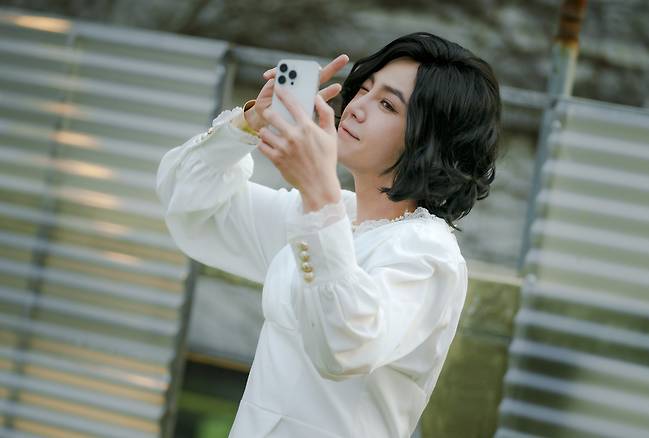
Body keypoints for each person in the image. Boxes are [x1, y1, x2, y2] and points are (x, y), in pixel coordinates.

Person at [156, 31, 501, 438]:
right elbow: (190, 199)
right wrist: (251, 122)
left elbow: (345, 344)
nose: (356, 108)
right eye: (365, 89)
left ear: (430, 141)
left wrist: (318, 194)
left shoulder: (429, 252)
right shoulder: (329, 214)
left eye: (387, 105)